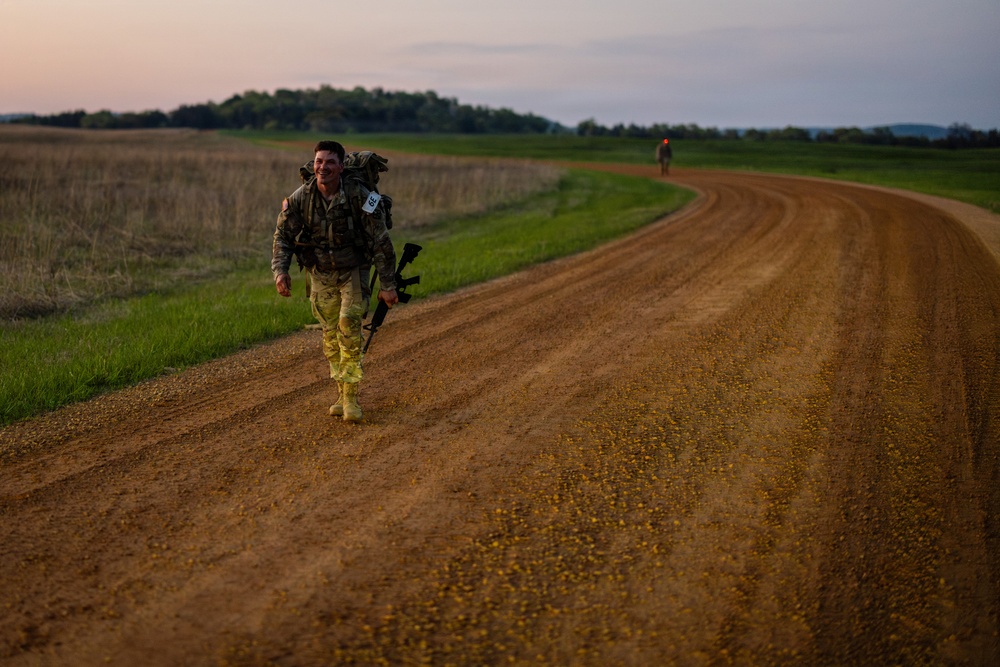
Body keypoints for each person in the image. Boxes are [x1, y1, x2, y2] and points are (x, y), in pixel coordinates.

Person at [271, 140, 398, 423]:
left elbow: (380, 241)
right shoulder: (301, 198)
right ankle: (341, 393)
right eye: (318, 161)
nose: (323, 167)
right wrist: (281, 271)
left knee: (349, 327)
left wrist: (387, 285)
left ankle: (352, 399)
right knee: (330, 338)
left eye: (329, 162)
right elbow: (282, 236)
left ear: (341, 167)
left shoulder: (360, 196)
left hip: (353, 270)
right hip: (320, 274)